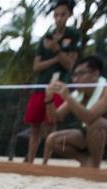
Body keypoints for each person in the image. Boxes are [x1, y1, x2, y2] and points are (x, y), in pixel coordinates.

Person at [42, 56, 107, 168]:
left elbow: (90, 118)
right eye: (74, 75)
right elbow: (55, 118)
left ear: (95, 74)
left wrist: (67, 97)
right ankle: (85, 161)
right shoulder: (77, 94)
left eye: (80, 74)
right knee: (53, 140)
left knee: (98, 124)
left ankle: (94, 167)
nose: (75, 79)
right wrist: (49, 99)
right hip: (88, 132)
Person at [23, 0, 79, 163]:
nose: (58, 18)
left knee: (51, 125)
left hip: (58, 87)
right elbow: (36, 66)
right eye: (56, 15)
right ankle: (31, 160)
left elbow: (70, 64)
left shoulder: (73, 35)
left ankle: (46, 162)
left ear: (69, 15)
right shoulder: (45, 38)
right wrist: (56, 58)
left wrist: (56, 49)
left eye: (62, 15)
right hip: (41, 86)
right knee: (34, 126)